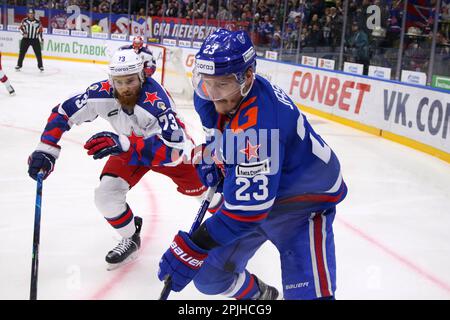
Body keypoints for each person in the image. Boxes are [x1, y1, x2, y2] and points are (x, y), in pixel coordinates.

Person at [157, 29, 348, 300]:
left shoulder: (258, 128)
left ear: (247, 77)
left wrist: (195, 245)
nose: (212, 93)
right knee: (210, 279)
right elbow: (217, 136)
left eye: (221, 84)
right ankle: (262, 298)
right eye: (205, 81)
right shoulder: (210, 97)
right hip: (261, 192)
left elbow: (244, 213)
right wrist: (214, 158)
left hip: (302, 205)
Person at [27, 49, 209, 270]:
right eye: (119, 82)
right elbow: (63, 113)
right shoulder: (99, 93)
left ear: (142, 76)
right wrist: (46, 149)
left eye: (130, 80)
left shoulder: (157, 102)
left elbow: (175, 150)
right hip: (127, 149)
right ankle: (131, 237)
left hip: (166, 152)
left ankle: (230, 230)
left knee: (207, 195)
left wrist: (127, 145)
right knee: (105, 196)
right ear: (110, 79)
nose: (124, 87)